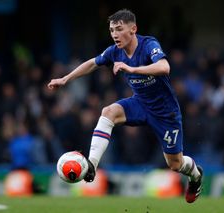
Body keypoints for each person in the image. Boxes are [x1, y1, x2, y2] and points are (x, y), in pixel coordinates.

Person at [47, 9, 203, 203]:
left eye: (119, 29)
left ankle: (196, 176)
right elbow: (93, 63)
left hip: (165, 112)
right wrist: (65, 78)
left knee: (175, 164)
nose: (114, 34)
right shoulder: (114, 51)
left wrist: (132, 68)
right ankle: (92, 165)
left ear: (133, 29)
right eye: (112, 30)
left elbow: (164, 67)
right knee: (108, 112)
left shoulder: (149, 44)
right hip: (139, 103)